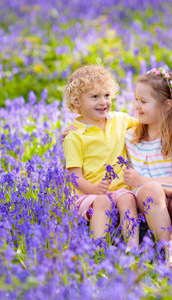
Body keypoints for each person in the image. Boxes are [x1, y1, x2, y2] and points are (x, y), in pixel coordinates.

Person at [123, 67, 172, 268]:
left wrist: (142, 180)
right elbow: (103, 122)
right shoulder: (131, 135)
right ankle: (167, 250)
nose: (137, 106)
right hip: (149, 198)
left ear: (166, 105)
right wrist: (78, 128)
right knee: (152, 190)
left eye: (144, 102)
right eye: (136, 100)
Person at [62, 65, 139, 249]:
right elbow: (74, 177)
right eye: (94, 97)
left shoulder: (120, 120)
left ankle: (134, 249)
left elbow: (147, 126)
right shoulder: (74, 136)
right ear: (76, 102)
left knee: (128, 199)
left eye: (106, 95)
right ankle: (98, 248)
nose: (103, 102)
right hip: (87, 194)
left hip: (119, 189)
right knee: (102, 201)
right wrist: (95, 190)